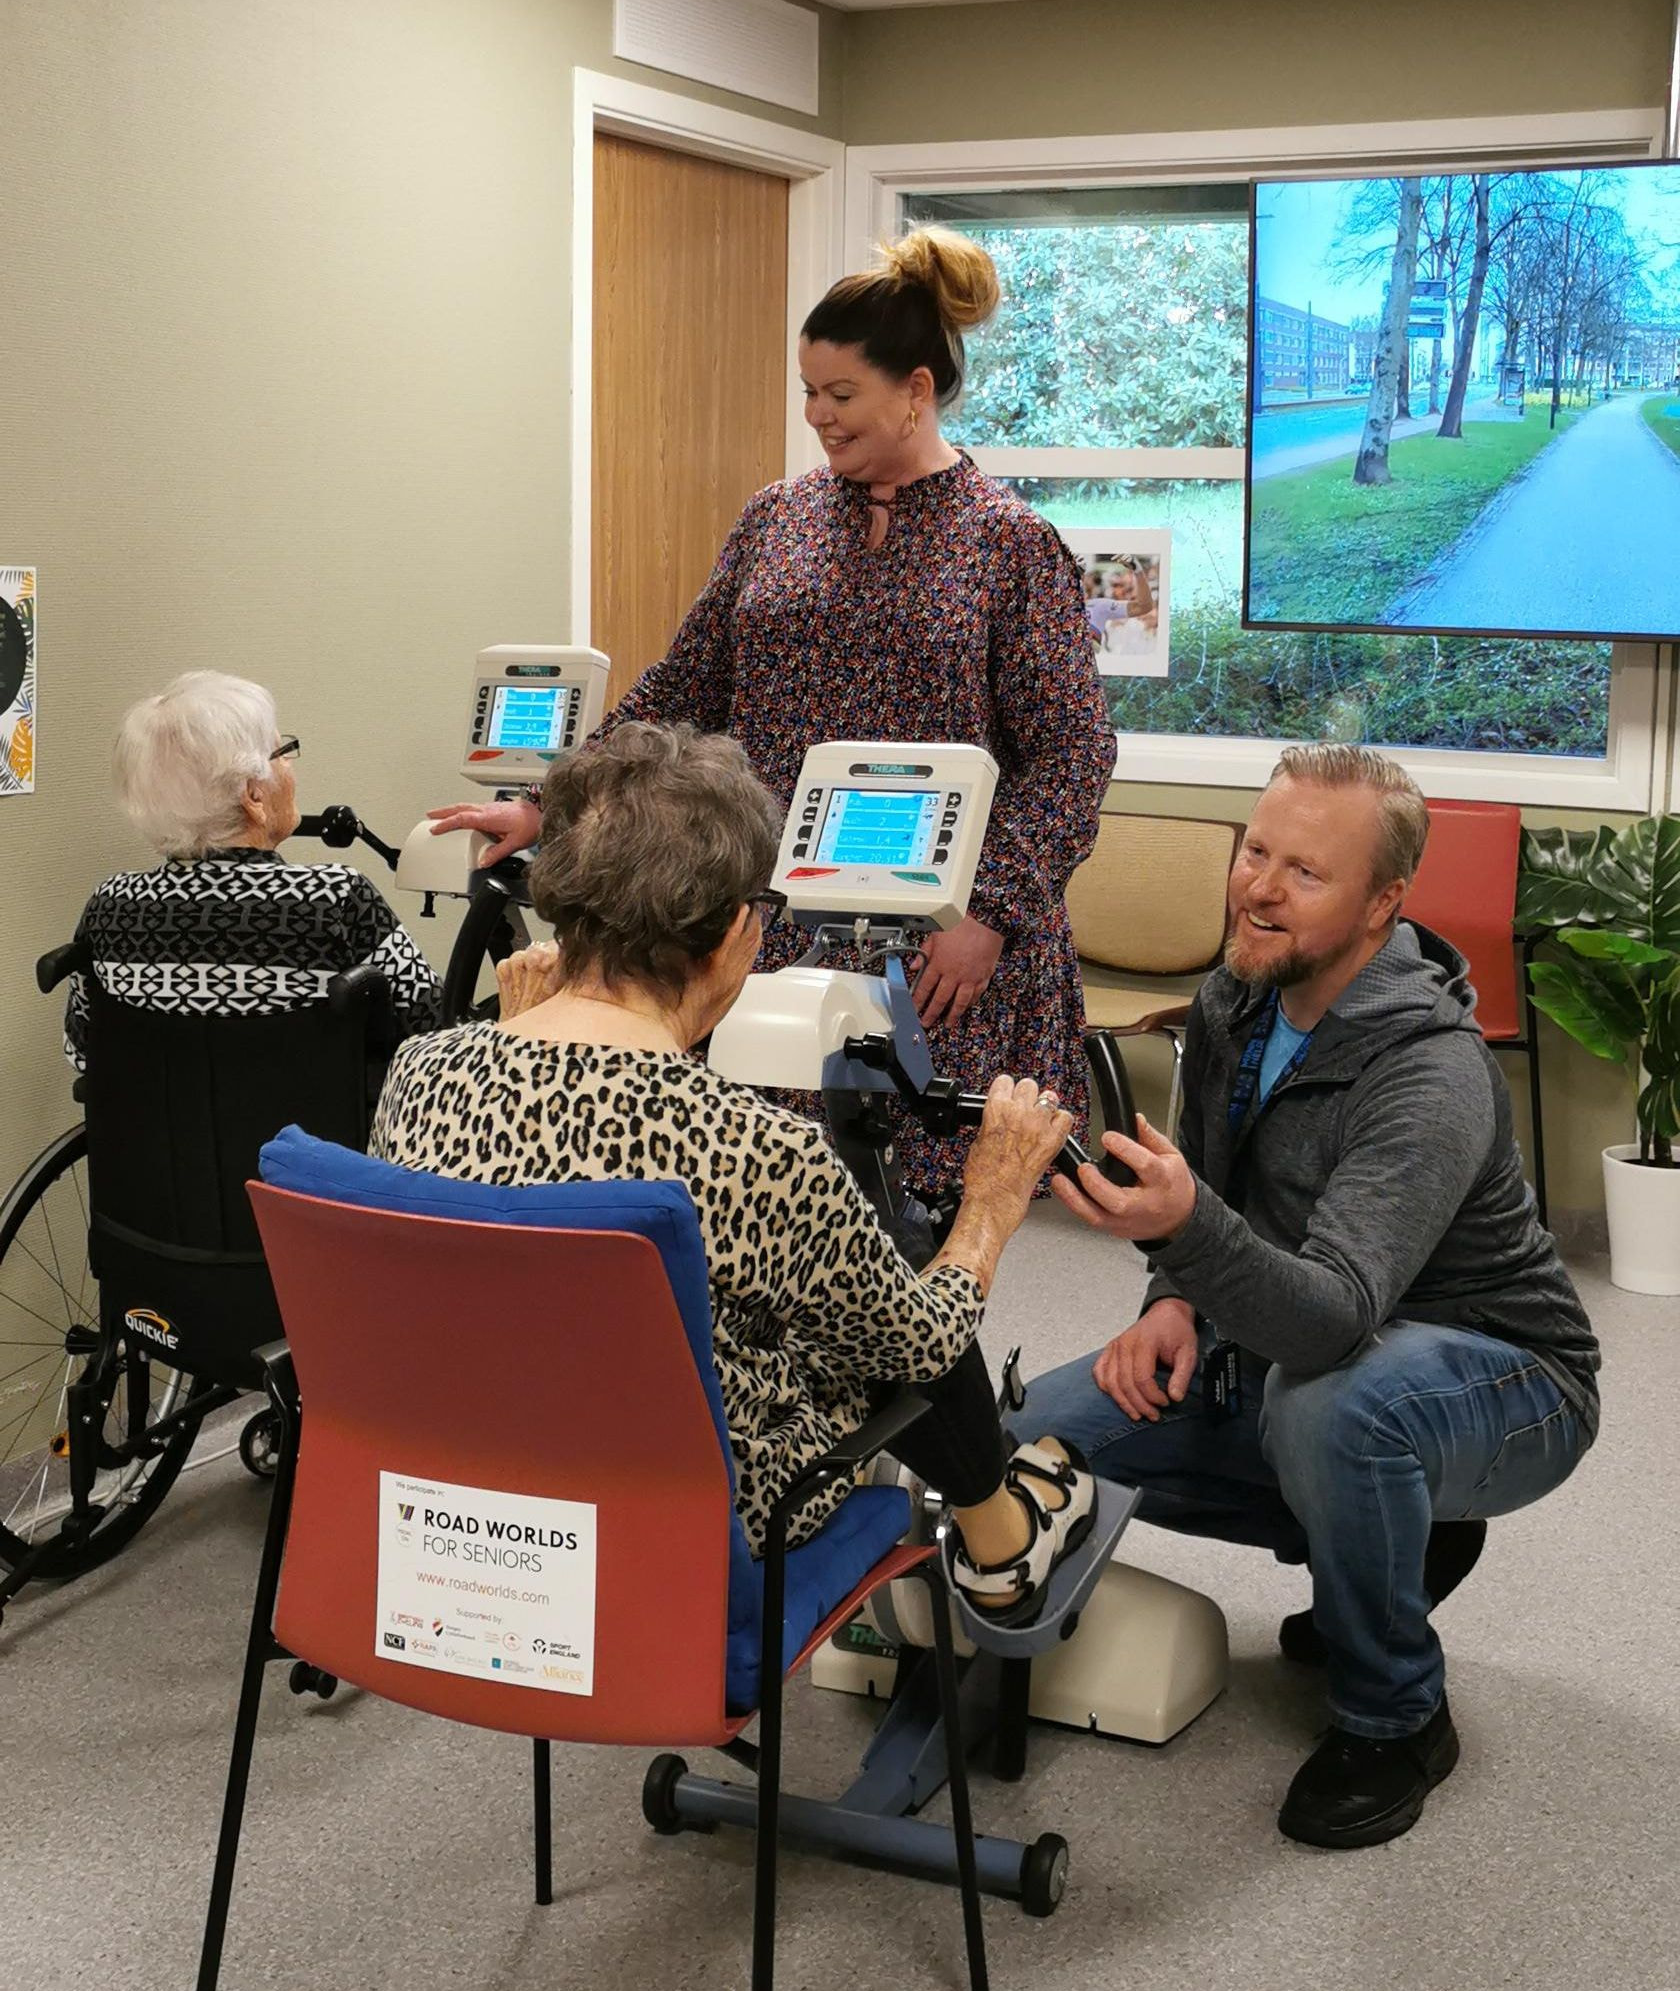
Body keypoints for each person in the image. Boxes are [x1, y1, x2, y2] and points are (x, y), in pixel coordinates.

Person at [429, 227, 1115, 1196]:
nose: (817, 416)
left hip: (946, 938)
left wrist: (993, 912)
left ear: (915, 388)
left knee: (918, 1216)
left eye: (841, 394)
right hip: (777, 926)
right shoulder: (776, 518)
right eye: (809, 391)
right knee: (759, 1194)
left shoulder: (1009, 542)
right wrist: (551, 802)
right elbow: (681, 689)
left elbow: (1074, 753)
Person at [1012, 743, 1600, 1849]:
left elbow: (1332, 1312)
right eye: (1258, 852)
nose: (1260, 887)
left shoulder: (1429, 1069)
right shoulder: (1239, 995)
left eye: (1305, 873)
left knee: (1338, 1412)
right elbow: (1215, 1192)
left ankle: (1396, 1716)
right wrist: (1171, 1298)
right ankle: (1389, 1538)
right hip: (1298, 1342)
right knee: (1034, 1440)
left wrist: (1189, 1230)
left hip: (1503, 1369)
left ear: (1384, 901)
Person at [373, 722, 1096, 1615]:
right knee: (896, 1265)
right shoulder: (762, 1150)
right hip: (697, 1533)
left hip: (473, 1513)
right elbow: (923, 1343)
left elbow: (530, 1195)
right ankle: (1005, 1540)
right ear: (726, 940)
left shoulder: (422, 1071)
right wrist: (988, 1201)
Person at [65, 670, 440, 1068]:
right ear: (254, 794)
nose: (291, 769)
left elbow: (82, 1052)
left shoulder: (111, 905)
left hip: (146, 1130)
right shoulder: (335, 898)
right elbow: (433, 1031)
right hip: (321, 1132)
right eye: (282, 753)